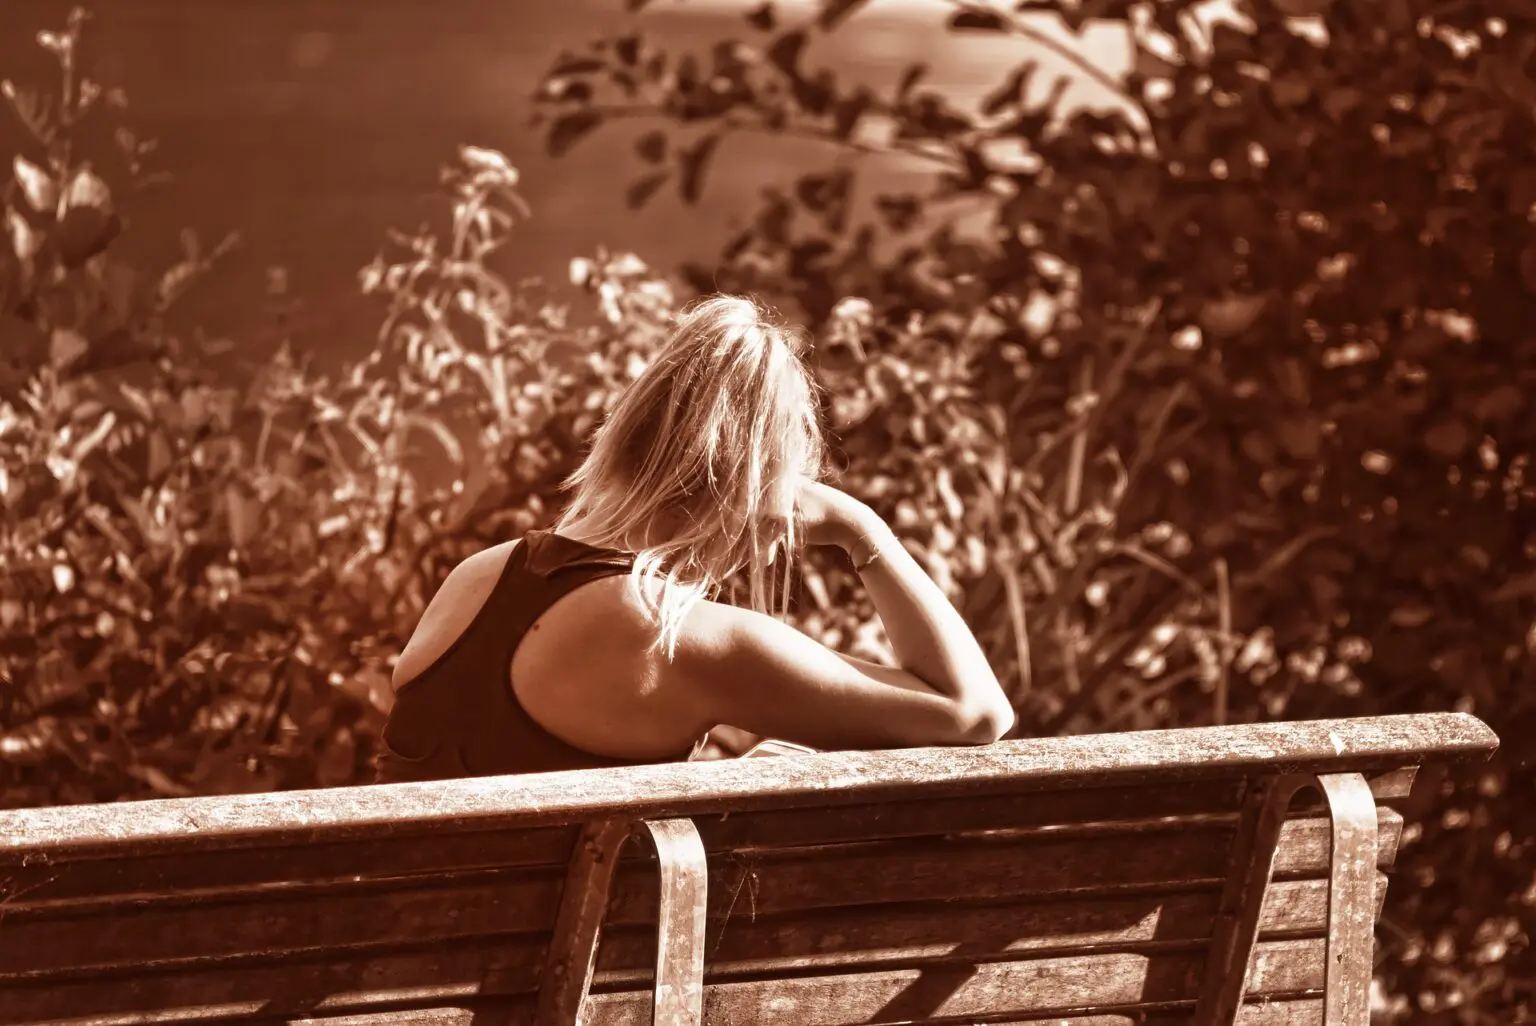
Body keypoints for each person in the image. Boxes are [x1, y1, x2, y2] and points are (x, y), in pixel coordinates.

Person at [374, 295, 1014, 784]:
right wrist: (862, 530)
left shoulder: (479, 575)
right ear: (762, 484)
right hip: (549, 959)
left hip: (401, 940)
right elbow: (976, 713)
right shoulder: (680, 633)